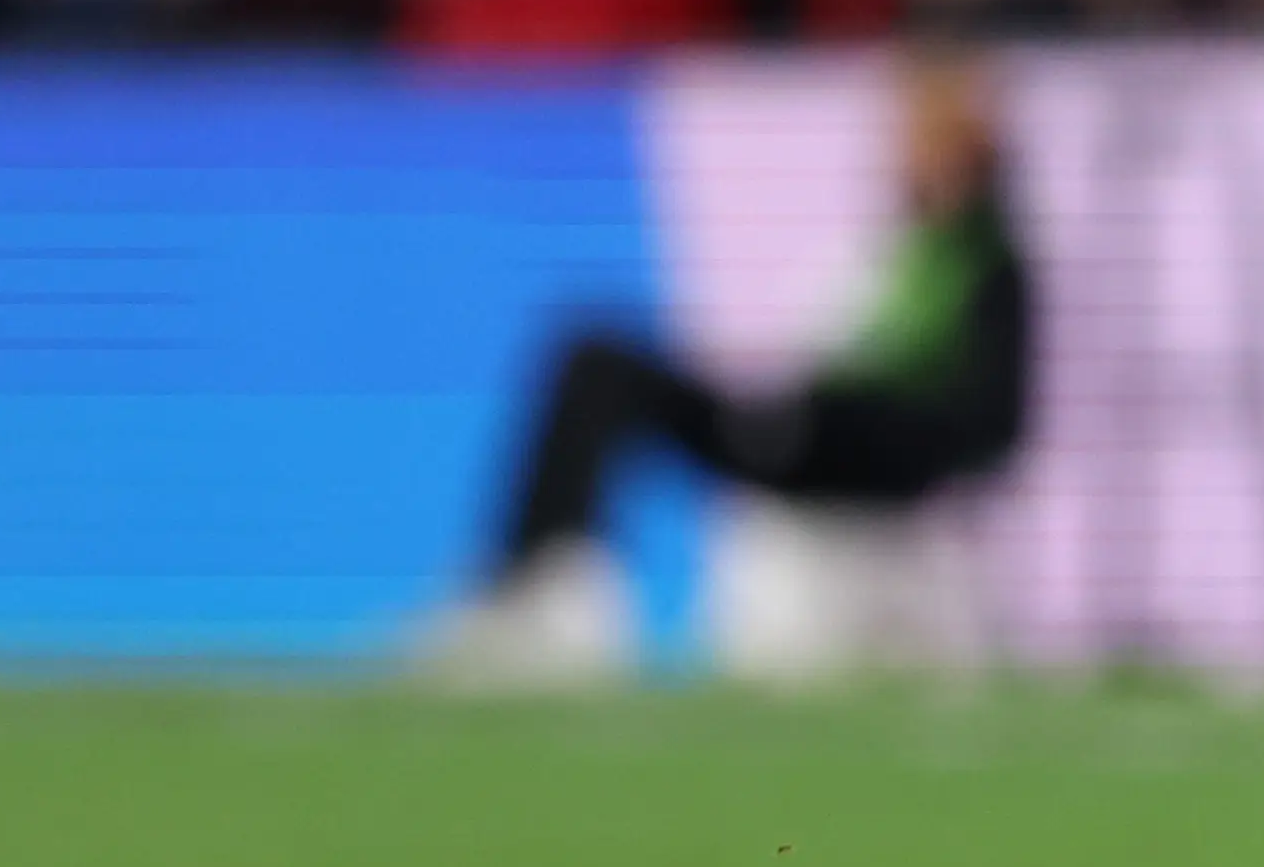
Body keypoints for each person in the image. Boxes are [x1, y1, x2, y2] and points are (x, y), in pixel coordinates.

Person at [426, 54, 1032, 681]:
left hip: (846, 460)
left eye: (931, 139)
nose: (910, 155)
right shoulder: (893, 256)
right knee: (597, 362)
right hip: (788, 435)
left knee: (613, 371)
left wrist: (856, 428)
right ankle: (543, 575)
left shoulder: (989, 269)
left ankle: (553, 593)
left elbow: (991, 423)